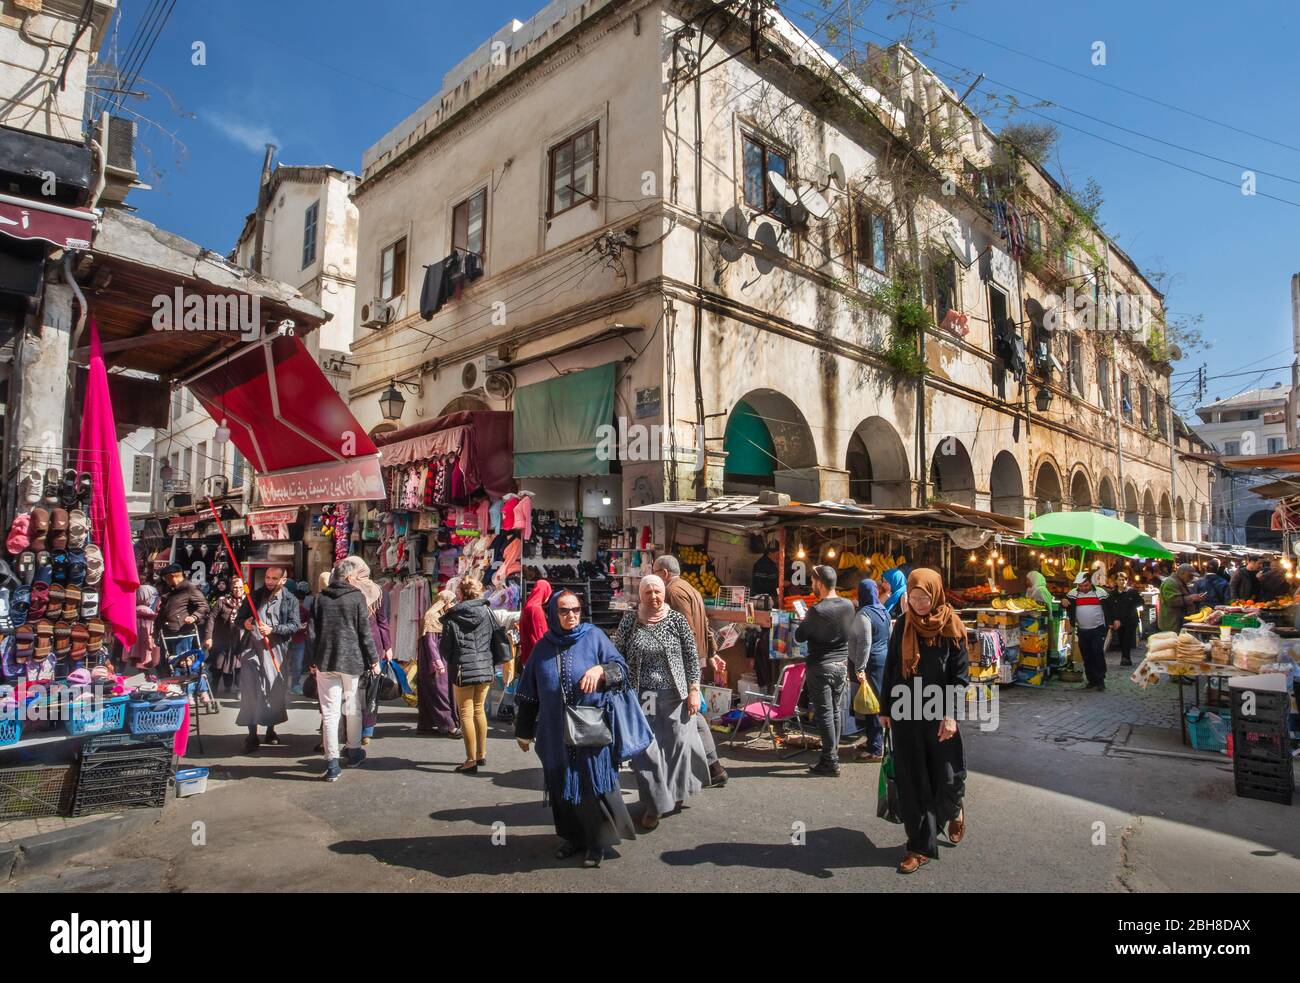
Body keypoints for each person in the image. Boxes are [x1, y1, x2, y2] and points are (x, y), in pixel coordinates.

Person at [515, 592, 651, 868]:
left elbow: (621, 669)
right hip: (554, 733)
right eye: (564, 611)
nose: (571, 615)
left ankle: (595, 843)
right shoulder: (543, 647)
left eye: (576, 609)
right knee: (563, 790)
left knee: (591, 788)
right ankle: (572, 838)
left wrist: (600, 670)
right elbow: (529, 693)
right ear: (554, 613)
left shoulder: (594, 637)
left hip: (591, 731)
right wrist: (523, 731)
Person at [880, 568, 968, 874]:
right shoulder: (903, 623)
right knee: (913, 781)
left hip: (939, 715)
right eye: (913, 597)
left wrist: (951, 714)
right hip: (906, 715)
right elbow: (892, 667)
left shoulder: (952, 626)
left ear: (936, 594)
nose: (918, 603)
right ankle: (918, 847)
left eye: (924, 597)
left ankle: (954, 809)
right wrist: (885, 708)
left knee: (947, 779)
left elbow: (960, 677)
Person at [612, 574, 710, 829]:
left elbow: (691, 657)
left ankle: (675, 793)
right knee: (646, 750)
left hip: (675, 695)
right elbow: (616, 654)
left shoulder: (676, 620)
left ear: (664, 593)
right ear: (641, 595)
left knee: (676, 746)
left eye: (657, 591)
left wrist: (694, 690)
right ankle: (654, 805)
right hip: (643, 696)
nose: (654, 597)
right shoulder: (630, 622)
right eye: (648, 593)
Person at [654, 555, 729, 787]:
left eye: (655, 571)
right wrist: (712, 653)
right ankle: (708, 766)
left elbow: (684, 628)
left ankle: (710, 767)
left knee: (689, 714)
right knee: (691, 713)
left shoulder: (674, 592)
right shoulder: (691, 589)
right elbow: (704, 625)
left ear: (664, 573)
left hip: (684, 662)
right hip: (694, 659)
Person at [308, 556, 381, 781]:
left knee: (329, 713)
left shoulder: (319, 599)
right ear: (350, 577)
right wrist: (374, 660)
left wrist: (312, 661)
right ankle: (354, 750)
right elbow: (364, 633)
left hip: (325, 661)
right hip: (351, 661)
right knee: (352, 707)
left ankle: (332, 763)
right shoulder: (356, 597)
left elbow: (312, 633)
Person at [794, 565, 855, 776]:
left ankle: (830, 761)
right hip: (841, 665)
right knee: (835, 710)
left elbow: (799, 636)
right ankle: (832, 755)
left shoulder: (817, 610)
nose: (812, 585)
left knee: (825, 714)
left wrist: (805, 620)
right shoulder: (848, 605)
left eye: (813, 582)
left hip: (821, 665)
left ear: (820, 583)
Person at [235, 565, 301, 753]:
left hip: (276, 650)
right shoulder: (254, 596)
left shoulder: (291, 600)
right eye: (267, 577)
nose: (269, 581)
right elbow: (238, 620)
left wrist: (274, 629)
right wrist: (246, 623)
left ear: (283, 580)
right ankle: (252, 734)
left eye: (274, 578)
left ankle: (271, 730)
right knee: (250, 691)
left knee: (273, 690)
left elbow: (294, 625)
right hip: (252, 650)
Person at [440, 576, 498, 774]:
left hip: (462, 668)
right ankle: (481, 754)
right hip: (484, 666)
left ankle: (470, 759)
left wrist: (454, 659)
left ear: (461, 594)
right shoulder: (487, 612)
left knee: (465, 713)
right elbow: (496, 638)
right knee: (479, 710)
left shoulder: (452, 616)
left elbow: (445, 648)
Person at [850, 578, 891, 762]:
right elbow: (889, 636)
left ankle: (875, 749)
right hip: (882, 661)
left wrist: (860, 668)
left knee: (872, 706)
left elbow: (865, 643)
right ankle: (873, 741)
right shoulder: (883, 611)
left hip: (869, 664)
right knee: (874, 703)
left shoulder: (864, 614)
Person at [417, 589, 460, 736]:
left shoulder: (445, 615)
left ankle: (426, 724)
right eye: (452, 601)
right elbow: (430, 643)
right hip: (433, 659)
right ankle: (449, 726)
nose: (454, 604)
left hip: (444, 658)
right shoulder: (431, 616)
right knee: (439, 691)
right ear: (445, 602)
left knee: (435, 691)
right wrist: (437, 662)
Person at [360, 569, 393, 746]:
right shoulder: (351, 593)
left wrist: (387, 646)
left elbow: (383, 621)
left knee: (371, 691)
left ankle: (366, 730)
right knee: (361, 691)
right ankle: (358, 728)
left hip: (374, 646)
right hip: (359, 648)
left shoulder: (378, 593)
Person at [155, 563, 213, 662]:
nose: (165, 581)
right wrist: (155, 630)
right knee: (167, 663)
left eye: (165, 578)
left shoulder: (189, 588)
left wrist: (194, 617)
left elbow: (204, 606)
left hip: (183, 633)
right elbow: (162, 611)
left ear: (172, 576)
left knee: (182, 663)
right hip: (167, 631)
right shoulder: (170, 590)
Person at [1065, 571, 1110, 691]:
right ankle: (1091, 680)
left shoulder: (1101, 593)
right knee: (1086, 655)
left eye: (1086, 586)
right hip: (1082, 630)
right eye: (1080, 586)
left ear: (1091, 583)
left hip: (1098, 628)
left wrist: (1113, 621)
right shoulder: (1073, 593)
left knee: (1097, 652)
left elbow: (1110, 607)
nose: (1083, 588)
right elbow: (1066, 604)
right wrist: (1063, 603)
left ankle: (1100, 680)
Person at [208, 579, 243, 696]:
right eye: (235, 587)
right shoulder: (221, 601)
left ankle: (238, 689)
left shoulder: (247, 602)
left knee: (239, 664)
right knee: (218, 664)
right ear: (231, 588)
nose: (238, 590)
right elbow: (211, 618)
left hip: (239, 640)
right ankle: (214, 686)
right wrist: (208, 637)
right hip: (221, 639)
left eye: (240, 587)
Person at [1104, 570, 1143, 667]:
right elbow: (1109, 608)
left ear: (1127, 581)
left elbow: (1140, 602)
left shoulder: (1132, 592)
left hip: (1130, 620)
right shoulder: (1112, 594)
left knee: (1127, 638)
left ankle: (1126, 658)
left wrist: (1131, 606)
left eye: (1124, 580)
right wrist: (1112, 620)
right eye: (1120, 580)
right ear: (1116, 581)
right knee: (1121, 639)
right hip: (1118, 621)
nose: (1122, 582)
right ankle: (1125, 656)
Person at [1158, 563, 1204, 633]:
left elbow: (1183, 597)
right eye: (1190, 576)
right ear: (1182, 573)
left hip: (1178, 621)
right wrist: (1191, 598)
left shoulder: (1179, 581)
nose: (1192, 578)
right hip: (1172, 623)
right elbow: (1172, 601)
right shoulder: (1170, 583)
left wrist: (1195, 598)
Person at [518, 579, 553, 668]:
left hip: (528, 654)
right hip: (537, 658)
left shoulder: (528, 606)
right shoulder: (535, 609)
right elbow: (539, 635)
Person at [286, 580, 310, 695]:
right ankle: (282, 685)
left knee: (297, 665)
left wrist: (304, 627)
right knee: (284, 664)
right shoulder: (287, 611)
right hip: (287, 641)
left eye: (301, 602)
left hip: (299, 641)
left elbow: (308, 625)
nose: (299, 605)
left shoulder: (305, 611)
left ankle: (295, 684)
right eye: (297, 602)